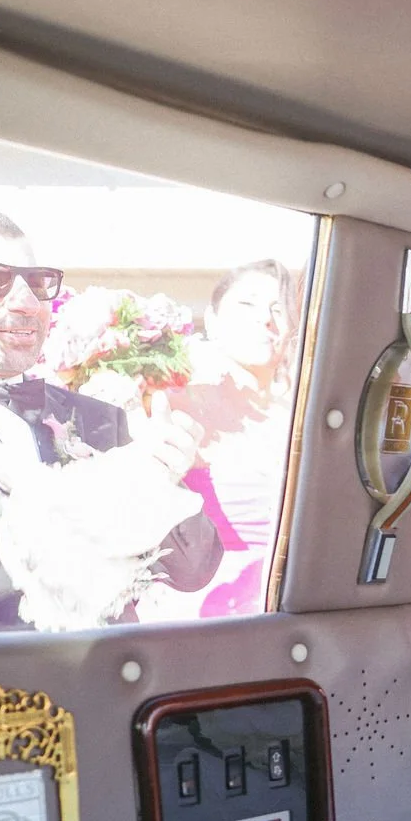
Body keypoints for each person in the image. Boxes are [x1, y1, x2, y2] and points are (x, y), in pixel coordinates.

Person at [0, 205, 216, 630]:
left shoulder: (99, 419)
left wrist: (162, 479)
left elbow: (192, 570)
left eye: (37, 284)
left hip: (108, 679)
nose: (25, 302)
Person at [140, 258, 298, 620]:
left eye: (278, 307)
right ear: (211, 320)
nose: (265, 318)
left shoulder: (302, 416)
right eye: (247, 304)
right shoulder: (168, 401)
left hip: (285, 610)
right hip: (196, 607)